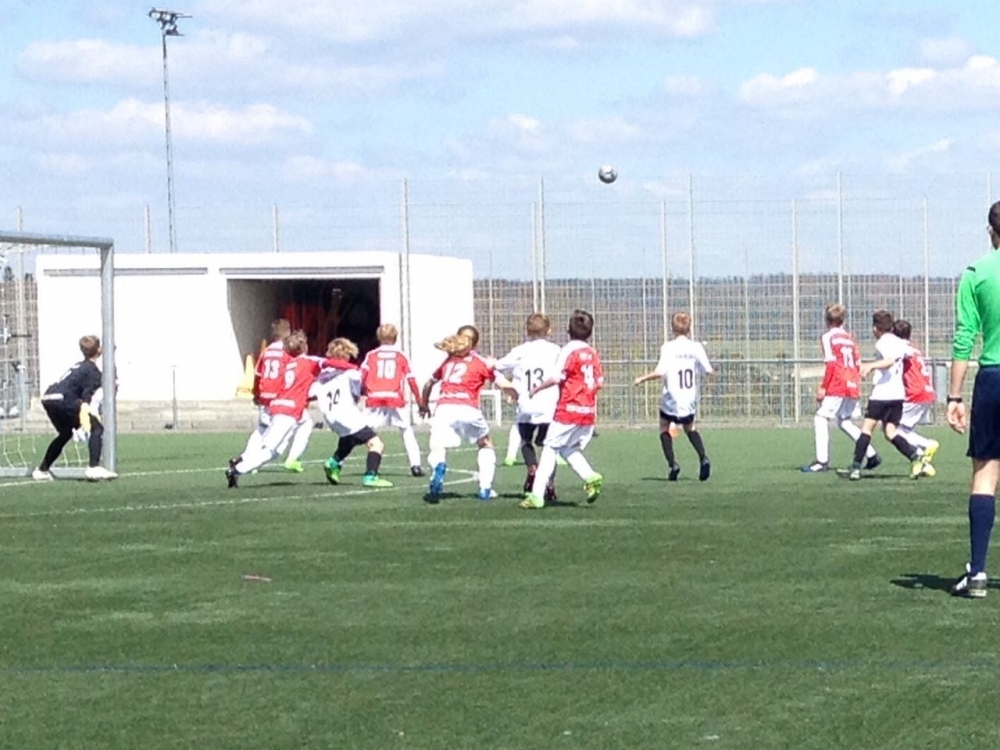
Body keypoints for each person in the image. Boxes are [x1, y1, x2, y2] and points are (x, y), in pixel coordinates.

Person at [947, 201, 1000, 598]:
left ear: (991, 231)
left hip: (993, 379)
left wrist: (954, 396)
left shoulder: (976, 273)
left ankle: (978, 573)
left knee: (985, 473)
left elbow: (964, 338)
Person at [226, 330, 355, 487]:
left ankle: (242, 464)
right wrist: (353, 368)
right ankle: (237, 468)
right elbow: (331, 363)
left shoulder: (289, 364)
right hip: (288, 411)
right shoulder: (308, 361)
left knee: (277, 447)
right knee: (269, 450)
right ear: (304, 346)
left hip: (279, 406)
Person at [420, 328, 515, 503]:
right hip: (467, 408)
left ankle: (438, 466)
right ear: (476, 343)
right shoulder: (481, 362)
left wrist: (424, 404)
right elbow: (503, 384)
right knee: (485, 443)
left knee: (438, 447)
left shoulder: (449, 361)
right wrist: (516, 394)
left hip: (444, 408)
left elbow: (428, 384)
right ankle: (485, 488)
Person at [521, 310, 604, 509]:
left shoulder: (568, 350)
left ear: (568, 330)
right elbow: (599, 382)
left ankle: (536, 496)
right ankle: (590, 476)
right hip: (588, 411)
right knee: (568, 448)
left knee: (549, 448)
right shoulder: (592, 353)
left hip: (568, 409)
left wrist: (537, 388)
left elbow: (556, 377)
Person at [633, 312, 713, 481]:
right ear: (689, 329)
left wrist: (641, 378)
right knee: (689, 427)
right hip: (689, 398)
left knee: (664, 426)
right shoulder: (696, 347)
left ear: (672, 329)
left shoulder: (668, 347)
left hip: (671, 398)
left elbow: (660, 372)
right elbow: (708, 370)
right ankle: (703, 457)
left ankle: (672, 465)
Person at [801, 303, 880, 473]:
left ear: (826, 320)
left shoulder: (828, 337)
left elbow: (831, 363)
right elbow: (858, 362)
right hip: (852, 382)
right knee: (844, 421)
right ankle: (871, 454)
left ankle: (821, 461)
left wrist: (824, 387)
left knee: (820, 418)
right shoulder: (850, 339)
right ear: (843, 320)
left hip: (838, 382)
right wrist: (855, 380)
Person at [847, 310, 923, 481]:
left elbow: (889, 360)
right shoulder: (900, 342)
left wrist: (871, 366)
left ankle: (856, 467)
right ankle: (914, 456)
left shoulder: (882, 342)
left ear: (875, 328)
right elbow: (908, 354)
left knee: (866, 429)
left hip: (882, 393)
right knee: (890, 432)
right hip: (898, 394)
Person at [494, 313, 562, 501]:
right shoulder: (556, 350)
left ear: (527, 330)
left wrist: (508, 385)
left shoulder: (520, 350)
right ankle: (550, 482)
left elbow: (498, 366)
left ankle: (532, 468)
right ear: (549, 330)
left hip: (527, 404)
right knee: (550, 446)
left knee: (525, 441)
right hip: (549, 405)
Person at [33, 334, 117, 481]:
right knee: (97, 428)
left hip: (49, 398)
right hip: (63, 400)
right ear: (99, 350)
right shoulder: (92, 371)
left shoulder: (79, 366)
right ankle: (93, 467)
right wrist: (86, 410)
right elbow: (87, 394)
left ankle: (42, 470)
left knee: (65, 433)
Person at [236, 319, 314, 473]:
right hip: (281, 397)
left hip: (265, 395)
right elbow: (291, 374)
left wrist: (256, 393)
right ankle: (290, 458)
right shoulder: (287, 352)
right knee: (302, 424)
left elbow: (258, 374)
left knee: (262, 430)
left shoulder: (267, 351)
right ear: (288, 332)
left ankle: (245, 458)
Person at [315, 338, 393, 488]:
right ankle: (371, 476)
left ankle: (333, 462)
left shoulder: (321, 375)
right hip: (347, 414)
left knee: (349, 439)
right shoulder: (351, 373)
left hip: (330, 417)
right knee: (376, 443)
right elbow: (356, 394)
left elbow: (313, 393)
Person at [360, 323, 425, 477]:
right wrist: (420, 401)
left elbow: (361, 376)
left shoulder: (371, 355)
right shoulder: (401, 355)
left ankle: (338, 461)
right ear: (396, 338)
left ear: (378, 337)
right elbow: (411, 379)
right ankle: (415, 465)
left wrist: (358, 393)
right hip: (394, 398)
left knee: (361, 432)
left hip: (374, 398)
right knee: (406, 430)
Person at [891, 319, 939, 477]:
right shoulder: (914, 348)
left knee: (892, 429)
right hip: (927, 391)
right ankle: (923, 463)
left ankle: (926, 445)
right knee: (904, 430)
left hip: (914, 393)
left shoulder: (901, 348)